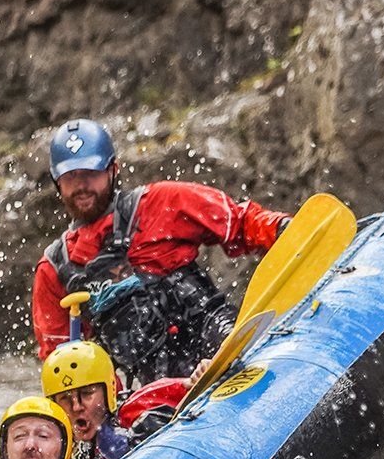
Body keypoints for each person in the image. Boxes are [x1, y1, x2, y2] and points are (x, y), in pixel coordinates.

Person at [33, 118, 290, 382]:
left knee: (227, 343)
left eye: (90, 173)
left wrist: (283, 229)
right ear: (57, 182)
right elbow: (63, 363)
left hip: (218, 338)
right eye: (71, 177)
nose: (81, 186)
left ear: (113, 170)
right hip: (158, 385)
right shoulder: (54, 268)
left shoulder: (161, 202)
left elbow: (241, 224)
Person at [40, 339, 188, 459]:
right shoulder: (60, 452)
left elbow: (183, 388)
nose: (76, 407)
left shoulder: (132, 412)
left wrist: (195, 379)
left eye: (87, 393)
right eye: (64, 399)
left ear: (108, 392)